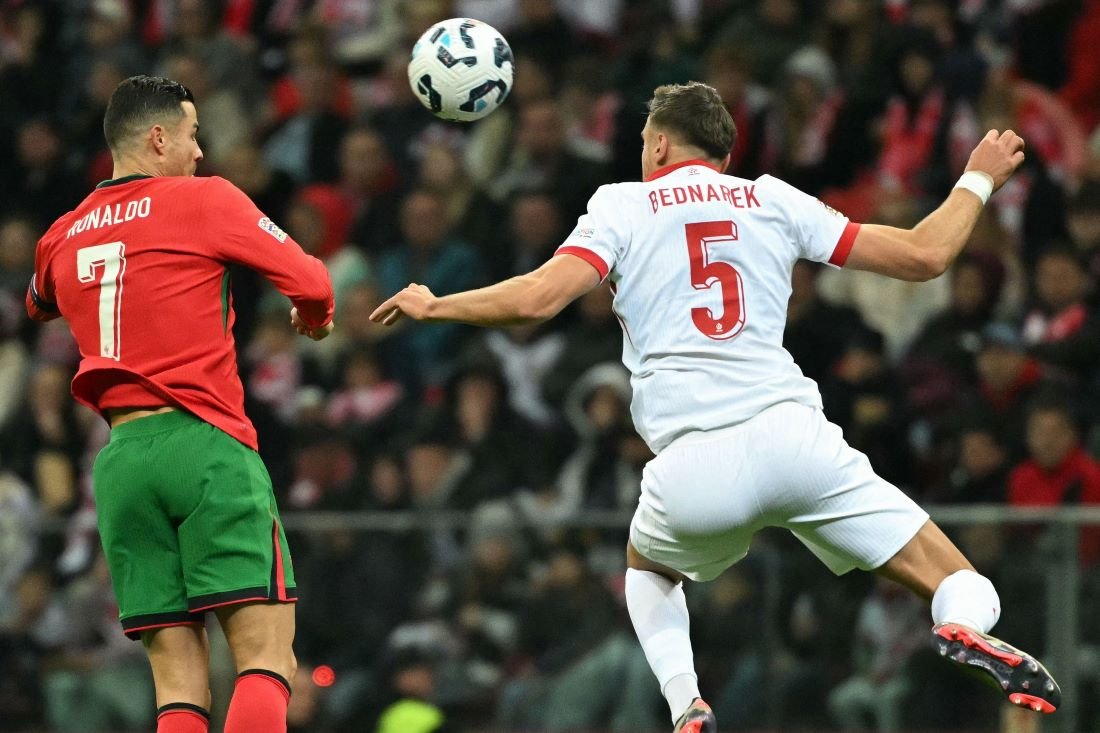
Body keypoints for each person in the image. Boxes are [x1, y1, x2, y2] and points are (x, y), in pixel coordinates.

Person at [370, 81, 1060, 731]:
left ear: (659, 144)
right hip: (795, 441)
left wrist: (438, 304)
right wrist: (978, 177)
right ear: (724, 158)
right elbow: (925, 255)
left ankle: (687, 704)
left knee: (647, 572)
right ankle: (958, 625)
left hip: (693, 465)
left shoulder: (621, 206)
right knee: (960, 579)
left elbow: (536, 299)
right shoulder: (770, 198)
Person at [26, 76, 335, 733]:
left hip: (121, 465)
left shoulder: (61, 233)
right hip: (204, 445)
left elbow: (38, 299)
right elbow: (312, 281)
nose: (200, 152)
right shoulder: (204, 199)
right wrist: (314, 319)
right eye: (193, 135)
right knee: (266, 658)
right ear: (159, 137)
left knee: (178, 688)